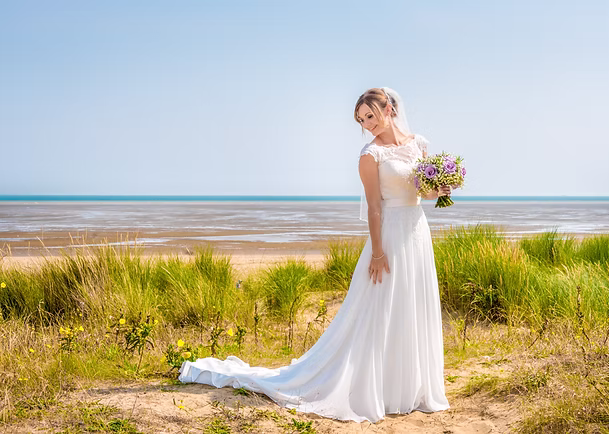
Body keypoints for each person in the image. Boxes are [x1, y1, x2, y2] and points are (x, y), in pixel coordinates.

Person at [178, 87, 451, 423]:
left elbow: (422, 190)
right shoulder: (370, 155)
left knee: (412, 303)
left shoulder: (419, 143)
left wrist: (442, 189)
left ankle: (410, 389)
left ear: (389, 108)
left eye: (370, 115)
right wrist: (377, 253)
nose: (367, 124)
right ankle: (378, 389)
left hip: (417, 232)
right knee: (380, 309)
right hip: (389, 236)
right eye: (361, 120)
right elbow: (374, 207)